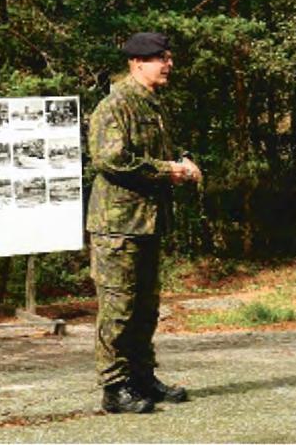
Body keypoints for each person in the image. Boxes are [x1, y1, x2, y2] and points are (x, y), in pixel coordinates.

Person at [87, 32, 202, 414]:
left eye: (168, 57)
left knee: (145, 308)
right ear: (137, 63)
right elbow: (111, 160)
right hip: (118, 224)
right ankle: (114, 387)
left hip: (148, 223)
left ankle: (141, 376)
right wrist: (168, 171)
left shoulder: (153, 104)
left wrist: (183, 161)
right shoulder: (115, 105)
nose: (168, 64)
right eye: (159, 58)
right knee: (118, 309)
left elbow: (164, 149)